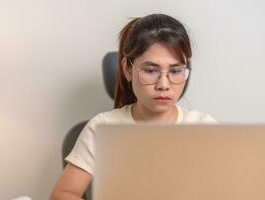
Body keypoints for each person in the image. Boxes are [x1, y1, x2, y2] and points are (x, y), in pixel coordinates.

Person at [50, 13, 216, 200]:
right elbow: (63, 194)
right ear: (128, 69)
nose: (164, 84)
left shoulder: (204, 128)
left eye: (176, 71)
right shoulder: (103, 127)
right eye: (151, 70)